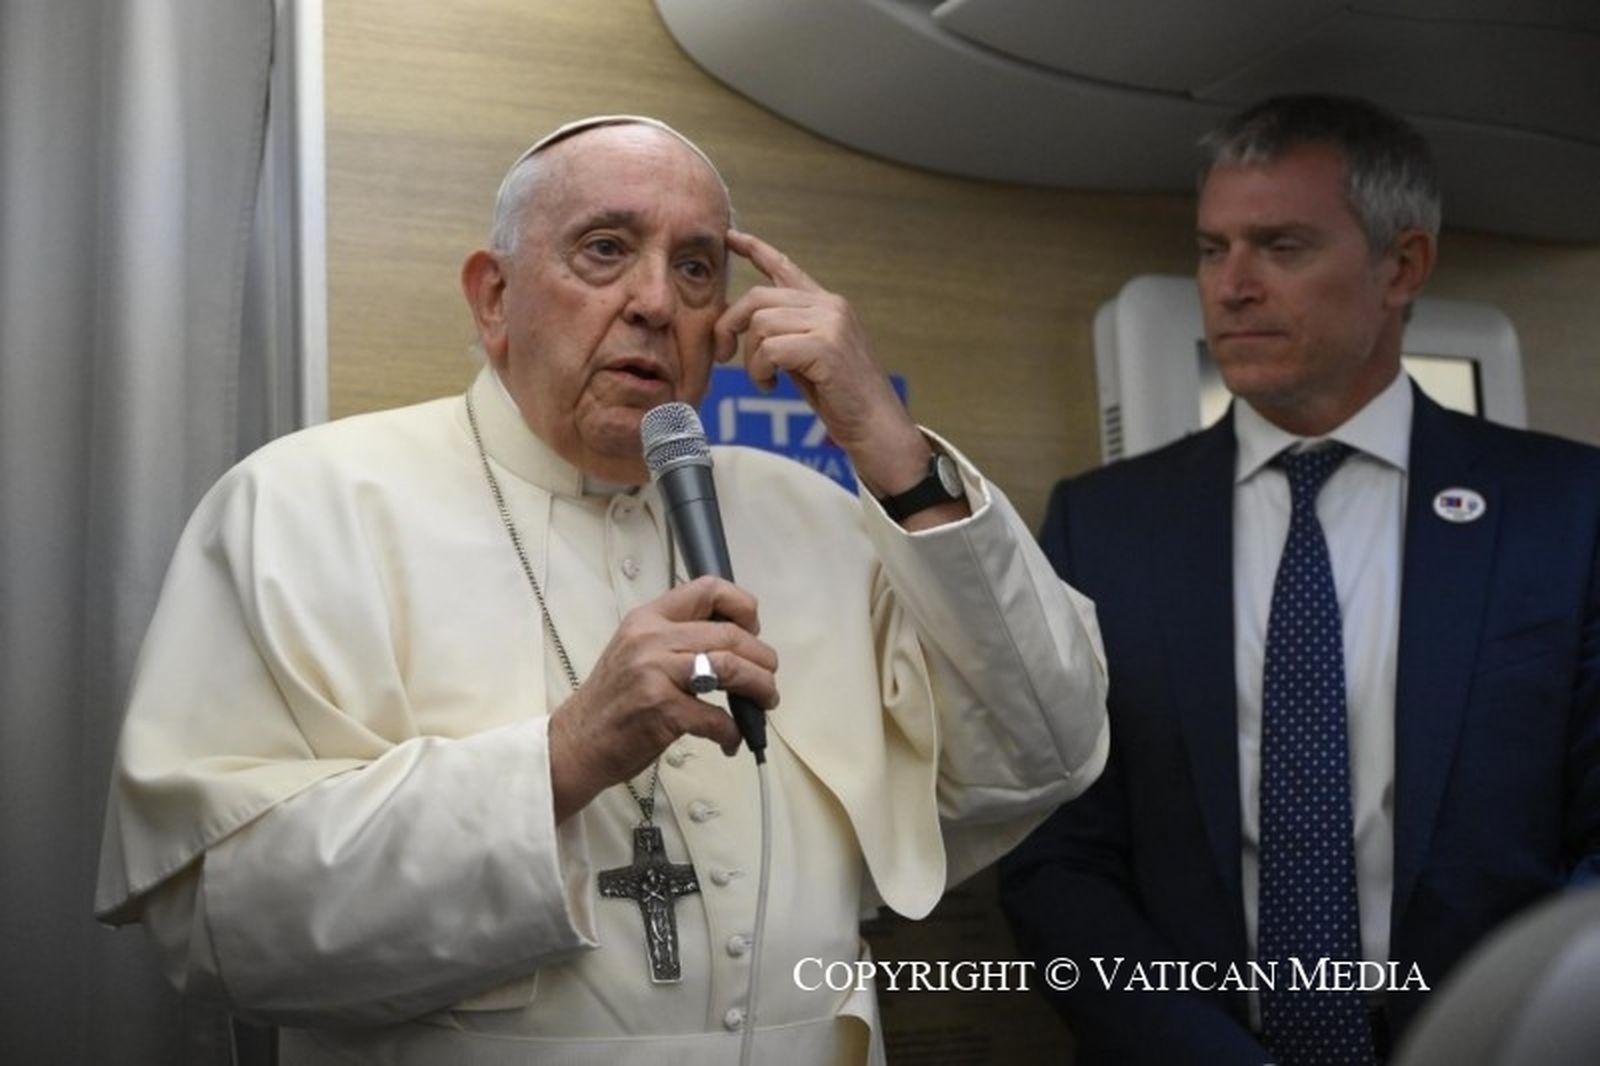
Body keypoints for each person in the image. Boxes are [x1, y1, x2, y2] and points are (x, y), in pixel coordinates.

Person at [94, 115, 1109, 1064]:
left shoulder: (815, 512)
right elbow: (221, 927)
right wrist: (562, 756)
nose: (657, 302)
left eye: (697, 267)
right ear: (494, 296)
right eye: (605, 249)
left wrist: (888, 451)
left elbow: (1045, 750)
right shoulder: (306, 503)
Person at [1000, 94, 1600, 1065]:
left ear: (1400, 266)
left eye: (1279, 247)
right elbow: (1059, 854)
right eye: (1210, 249)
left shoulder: (1566, 511)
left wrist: (1520, 1035)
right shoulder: (1104, 526)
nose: (1230, 285)